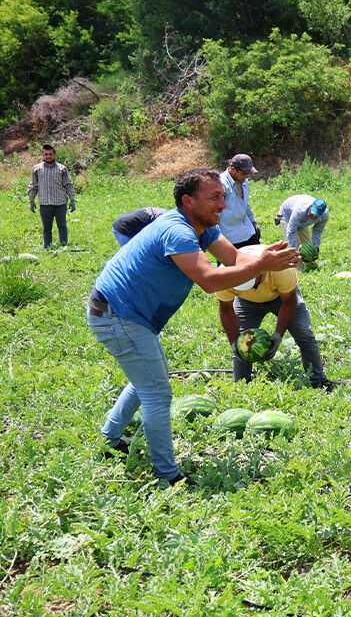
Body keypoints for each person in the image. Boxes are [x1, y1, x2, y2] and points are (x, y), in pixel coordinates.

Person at [88, 169, 300, 484]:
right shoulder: (178, 231)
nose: (223, 205)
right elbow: (209, 281)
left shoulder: (204, 227)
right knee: (157, 393)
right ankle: (167, 475)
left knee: (147, 380)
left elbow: (233, 258)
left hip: (129, 315)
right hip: (117, 315)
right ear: (188, 201)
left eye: (223, 196)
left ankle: (110, 440)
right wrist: (261, 265)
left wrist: (263, 257)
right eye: (214, 198)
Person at [215, 243, 334, 391]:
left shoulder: (281, 268)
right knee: (242, 342)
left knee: (304, 332)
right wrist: (234, 342)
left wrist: (278, 335)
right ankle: (242, 387)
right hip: (245, 302)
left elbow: (289, 302)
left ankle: (318, 381)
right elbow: (226, 309)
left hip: (281, 296)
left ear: (259, 272)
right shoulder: (224, 277)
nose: (252, 288)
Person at [28, 144, 76, 249]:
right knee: (46, 228)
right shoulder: (36, 169)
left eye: (50, 154)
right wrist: (31, 201)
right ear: (42, 155)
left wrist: (72, 200)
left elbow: (68, 184)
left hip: (60, 203)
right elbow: (33, 185)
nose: (48, 156)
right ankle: (47, 248)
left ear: (54, 155)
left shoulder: (62, 169)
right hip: (45, 203)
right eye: (46, 154)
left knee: (62, 226)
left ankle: (64, 246)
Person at [218, 153, 262, 248]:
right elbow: (215, 211)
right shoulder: (221, 184)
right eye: (244, 173)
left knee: (258, 255)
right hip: (229, 236)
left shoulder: (244, 181)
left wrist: (253, 222)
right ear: (233, 169)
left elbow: (245, 204)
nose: (246, 176)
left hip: (247, 231)